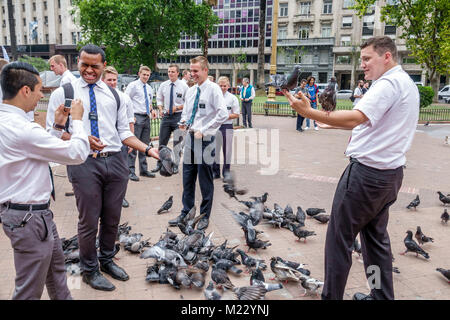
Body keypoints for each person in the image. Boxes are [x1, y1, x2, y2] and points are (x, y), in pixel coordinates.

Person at [283, 36, 419, 300]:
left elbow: (357, 117)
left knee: (339, 241)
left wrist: (309, 113)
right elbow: (374, 125)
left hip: (366, 177)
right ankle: (380, 296)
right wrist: (328, 123)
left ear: (387, 56)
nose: (363, 65)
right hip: (389, 176)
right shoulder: (406, 83)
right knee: (375, 243)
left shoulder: (388, 83)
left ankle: (331, 297)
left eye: (367, 58)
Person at [46, 44, 159, 292]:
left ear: (103, 66)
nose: (88, 70)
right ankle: (89, 270)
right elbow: (53, 133)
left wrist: (148, 149)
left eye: (94, 66)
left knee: (112, 218)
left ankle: (107, 260)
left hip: (116, 161)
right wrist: (83, 138)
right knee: (89, 221)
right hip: (83, 162)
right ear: (77, 62)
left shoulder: (115, 95)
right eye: (84, 64)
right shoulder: (64, 93)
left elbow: (124, 132)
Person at [0, 61, 90, 299]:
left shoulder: (7, 122)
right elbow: (77, 154)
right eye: (39, 89)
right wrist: (78, 120)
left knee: (57, 272)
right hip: (29, 219)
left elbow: (36, 153)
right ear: (25, 90)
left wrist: (58, 125)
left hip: (32, 214)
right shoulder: (23, 128)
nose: (42, 94)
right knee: (29, 290)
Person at [168, 56, 228, 231]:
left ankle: (204, 216)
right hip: (190, 137)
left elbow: (223, 114)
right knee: (187, 178)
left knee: (205, 180)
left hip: (207, 139)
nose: (192, 74)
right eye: (191, 70)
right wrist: (183, 122)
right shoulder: (191, 91)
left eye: (196, 71)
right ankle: (186, 212)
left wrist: (206, 129)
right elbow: (187, 112)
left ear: (205, 71)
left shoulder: (213, 89)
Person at [102, 66, 135, 208]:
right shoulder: (98, 98)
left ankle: (121, 197)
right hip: (103, 142)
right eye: (109, 80)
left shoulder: (124, 98)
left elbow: (130, 120)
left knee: (122, 172)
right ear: (102, 80)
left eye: (115, 80)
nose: (112, 82)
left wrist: (131, 142)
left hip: (121, 140)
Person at [153, 64, 188, 174]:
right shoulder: (163, 85)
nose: (170, 74)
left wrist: (176, 107)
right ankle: (159, 163)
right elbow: (159, 99)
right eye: (169, 71)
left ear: (178, 73)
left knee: (177, 143)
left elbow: (188, 103)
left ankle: (175, 165)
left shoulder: (184, 86)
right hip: (167, 117)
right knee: (162, 142)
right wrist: (160, 108)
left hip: (178, 116)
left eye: (173, 72)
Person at [125, 65, 157, 181]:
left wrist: (152, 110)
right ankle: (130, 171)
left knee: (145, 145)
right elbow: (126, 101)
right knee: (133, 145)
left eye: (148, 75)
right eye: (144, 74)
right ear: (139, 74)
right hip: (136, 117)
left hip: (146, 117)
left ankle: (143, 170)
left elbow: (147, 102)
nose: (146, 77)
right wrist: (130, 116)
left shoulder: (149, 88)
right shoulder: (133, 86)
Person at [212, 76, 240, 179]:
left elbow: (236, 114)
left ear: (228, 86)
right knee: (215, 150)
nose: (223, 87)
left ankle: (226, 172)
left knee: (227, 151)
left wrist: (225, 116)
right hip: (215, 126)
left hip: (227, 126)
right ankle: (215, 172)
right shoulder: (213, 98)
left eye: (225, 86)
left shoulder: (233, 98)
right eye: (221, 85)